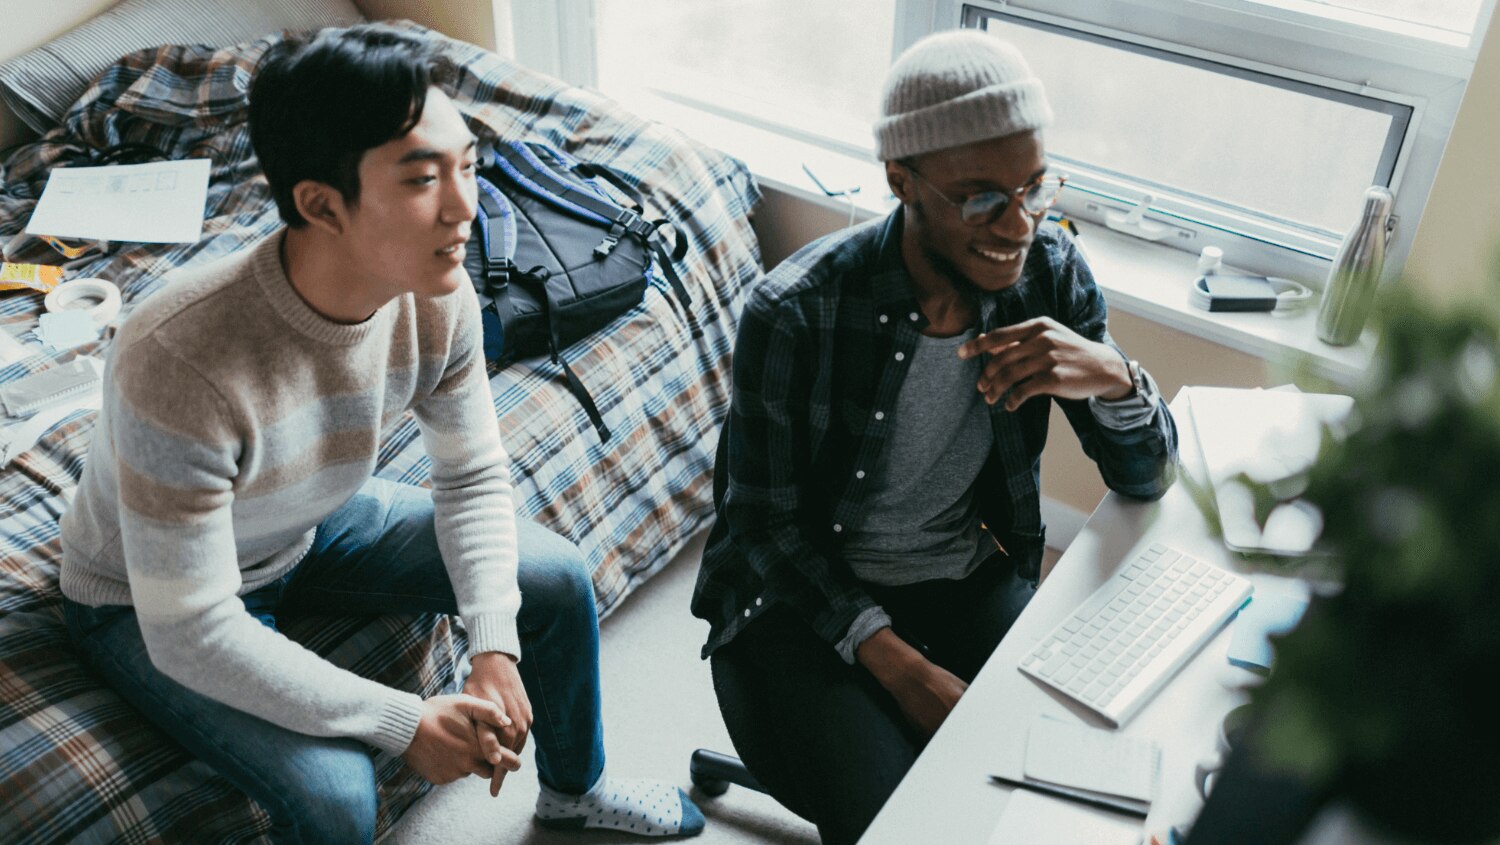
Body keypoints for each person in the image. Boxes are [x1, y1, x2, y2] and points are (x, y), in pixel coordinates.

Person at [57, 24, 703, 843]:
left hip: (305, 524)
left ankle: (576, 788)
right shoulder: (177, 356)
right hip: (141, 601)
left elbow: (470, 477)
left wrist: (493, 645)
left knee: (553, 575)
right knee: (337, 795)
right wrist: (402, 720)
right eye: (424, 179)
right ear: (320, 203)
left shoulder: (439, 296)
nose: (465, 206)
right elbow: (190, 628)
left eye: (466, 165)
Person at [691, 29, 1178, 845]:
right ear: (900, 178)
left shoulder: (1053, 276)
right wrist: (896, 662)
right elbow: (761, 529)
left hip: (962, 576)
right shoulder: (797, 310)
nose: (1019, 223)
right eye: (983, 196)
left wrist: (1115, 376)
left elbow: (1146, 479)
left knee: (1081, 787)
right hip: (802, 603)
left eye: (1035, 187)